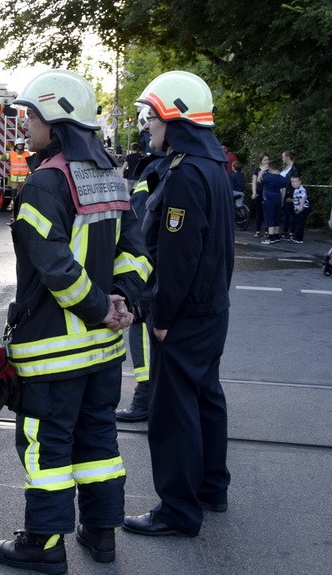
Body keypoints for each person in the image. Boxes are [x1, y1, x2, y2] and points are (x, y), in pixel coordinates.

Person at [0, 69, 150, 574]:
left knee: (47, 445)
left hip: (53, 349)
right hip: (104, 350)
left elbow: (55, 266)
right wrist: (121, 300)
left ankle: (42, 545)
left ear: (56, 122)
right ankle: (101, 534)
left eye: (32, 115)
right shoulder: (112, 177)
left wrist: (101, 305)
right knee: (98, 439)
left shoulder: (44, 182)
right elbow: (135, 255)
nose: (27, 125)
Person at [123, 70, 234, 539]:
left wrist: (162, 316)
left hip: (184, 315)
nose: (148, 125)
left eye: (153, 116)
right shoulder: (212, 166)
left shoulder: (186, 172)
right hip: (212, 310)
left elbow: (179, 254)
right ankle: (211, 488)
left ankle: (177, 511)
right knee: (206, 397)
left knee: (174, 412)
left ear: (176, 116)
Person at [116, 113, 169, 424]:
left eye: (151, 119)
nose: (147, 126)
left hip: (150, 267)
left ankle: (146, 396)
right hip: (158, 265)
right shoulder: (174, 167)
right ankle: (153, 394)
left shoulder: (156, 170)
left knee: (140, 328)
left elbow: (141, 226)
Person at [260, 158, 287, 244]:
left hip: (269, 198)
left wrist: (262, 171)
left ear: (270, 168)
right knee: (276, 217)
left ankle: (271, 237)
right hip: (278, 198)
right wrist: (282, 200)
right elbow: (283, 190)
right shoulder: (282, 178)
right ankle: (276, 235)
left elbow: (259, 180)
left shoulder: (268, 177)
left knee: (270, 217)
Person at [280, 151, 300, 239]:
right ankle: (285, 231)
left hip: (290, 194)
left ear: (287, 157)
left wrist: (291, 196)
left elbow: (295, 183)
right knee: (285, 213)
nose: (282, 159)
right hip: (283, 193)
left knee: (291, 214)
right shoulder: (285, 168)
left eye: (283, 157)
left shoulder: (295, 168)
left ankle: (292, 231)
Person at [250, 153, 270, 237]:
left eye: (267, 159)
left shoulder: (270, 169)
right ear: (261, 161)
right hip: (259, 192)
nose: (267, 161)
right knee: (259, 212)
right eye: (265, 160)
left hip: (268, 192)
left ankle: (267, 231)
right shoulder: (257, 170)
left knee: (267, 212)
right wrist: (254, 192)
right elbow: (254, 182)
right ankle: (257, 231)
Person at [288, 175, 309, 243]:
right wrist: (291, 200)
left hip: (302, 209)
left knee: (300, 224)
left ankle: (299, 239)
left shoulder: (301, 189)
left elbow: (302, 198)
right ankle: (296, 236)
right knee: (297, 223)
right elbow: (296, 198)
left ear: (300, 182)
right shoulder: (296, 190)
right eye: (292, 182)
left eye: (296, 181)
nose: (294, 183)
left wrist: (300, 208)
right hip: (298, 209)